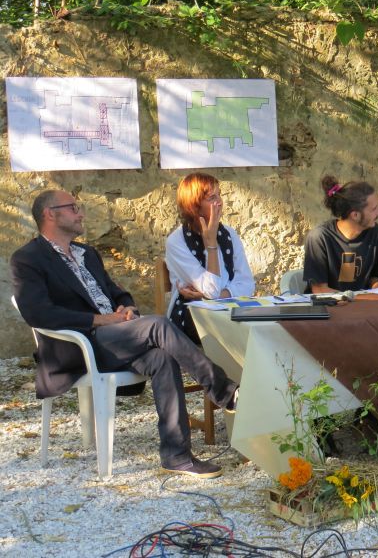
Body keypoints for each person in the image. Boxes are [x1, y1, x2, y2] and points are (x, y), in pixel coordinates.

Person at [11, 190, 239, 478]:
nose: (81, 213)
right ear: (50, 214)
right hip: (80, 345)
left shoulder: (87, 253)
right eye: (73, 208)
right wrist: (101, 320)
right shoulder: (28, 259)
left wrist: (127, 308)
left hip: (117, 337)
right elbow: (38, 313)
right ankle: (226, 393)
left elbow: (116, 292)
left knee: (162, 357)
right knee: (158, 325)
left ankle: (177, 456)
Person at [165, 173, 255, 343]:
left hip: (230, 311)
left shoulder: (229, 234)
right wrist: (211, 245)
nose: (220, 202)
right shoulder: (177, 241)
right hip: (193, 319)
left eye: (219, 195)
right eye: (212, 198)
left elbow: (247, 284)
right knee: (238, 336)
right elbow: (212, 290)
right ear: (194, 206)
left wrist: (216, 296)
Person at [303, 175, 378, 293]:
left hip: (364, 303)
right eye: (374, 209)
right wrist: (355, 298)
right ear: (355, 215)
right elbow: (320, 290)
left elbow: (377, 277)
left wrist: (377, 288)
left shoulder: (375, 233)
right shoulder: (319, 238)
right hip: (330, 304)